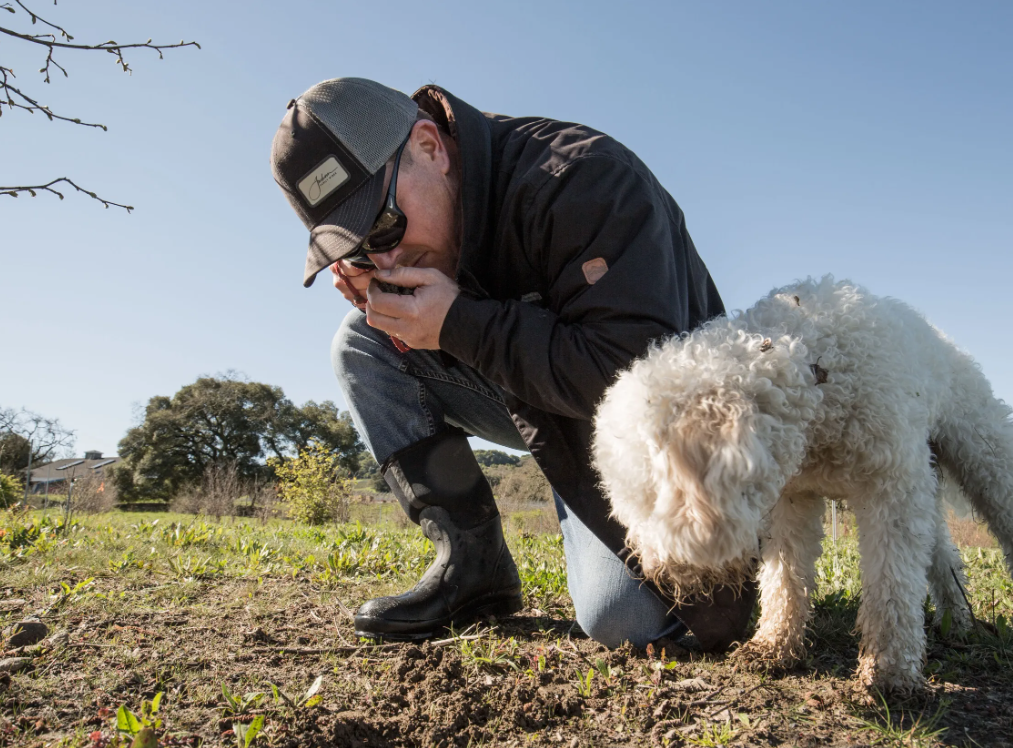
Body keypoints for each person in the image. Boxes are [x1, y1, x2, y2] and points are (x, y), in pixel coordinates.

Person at [270, 78, 753, 651]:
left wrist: (456, 321)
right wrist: (408, 314)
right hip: (541, 399)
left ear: (431, 146)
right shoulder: (417, 231)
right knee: (363, 339)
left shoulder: (584, 178)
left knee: (624, 623)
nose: (385, 259)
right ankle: (473, 568)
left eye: (382, 225)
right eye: (353, 249)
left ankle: (754, 545)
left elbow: (636, 381)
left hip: (671, 436)